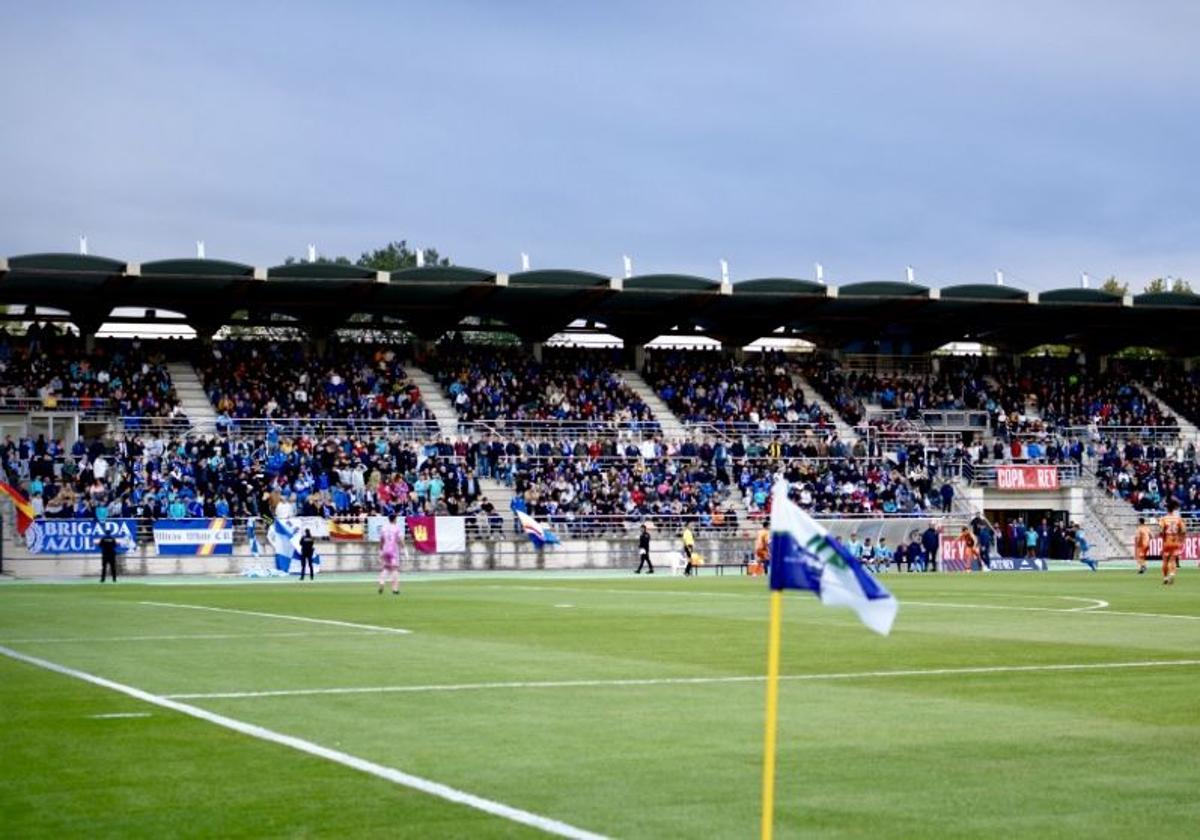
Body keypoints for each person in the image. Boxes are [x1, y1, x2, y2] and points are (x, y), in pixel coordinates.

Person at [1159, 500, 1186, 586]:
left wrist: (1162, 537)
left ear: (1167, 510)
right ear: (1173, 510)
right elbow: (1184, 530)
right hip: (1175, 541)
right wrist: (1181, 539)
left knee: (1165, 560)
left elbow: (1161, 530)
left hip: (1167, 540)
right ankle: (1172, 574)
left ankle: (1165, 577)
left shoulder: (1164, 519)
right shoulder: (1178, 518)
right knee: (1173, 560)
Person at [378, 513, 404, 595]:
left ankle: (382, 582)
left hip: (385, 549)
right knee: (394, 569)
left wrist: (381, 549)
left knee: (385, 568)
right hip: (393, 550)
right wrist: (403, 547)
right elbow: (400, 539)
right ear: (395, 519)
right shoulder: (397, 528)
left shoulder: (384, 528)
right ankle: (395, 589)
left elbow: (381, 540)